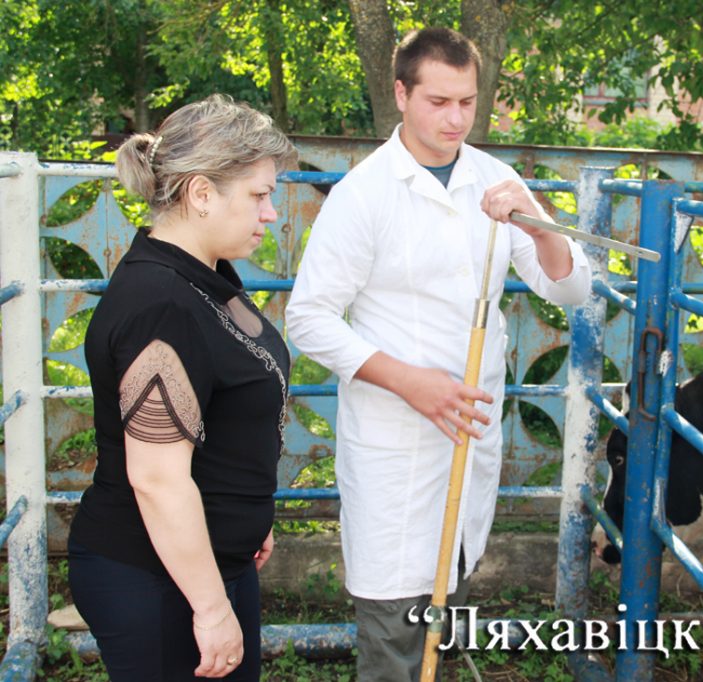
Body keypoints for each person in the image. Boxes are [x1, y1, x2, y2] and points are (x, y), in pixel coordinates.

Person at [285, 27, 592, 681]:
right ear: (401, 94)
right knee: (394, 628)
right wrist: (409, 381)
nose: (455, 119)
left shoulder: (497, 181)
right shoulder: (365, 193)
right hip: (394, 442)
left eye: (467, 102)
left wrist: (537, 222)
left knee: (445, 603)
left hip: (468, 434)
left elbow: (569, 287)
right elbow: (308, 318)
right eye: (438, 101)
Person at [68, 94, 296, 681]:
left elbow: (228, 404)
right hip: (156, 579)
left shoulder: (204, 276)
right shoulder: (162, 304)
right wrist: (212, 608)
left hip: (210, 563)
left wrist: (248, 517)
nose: (271, 213)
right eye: (259, 195)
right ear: (200, 193)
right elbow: (157, 478)